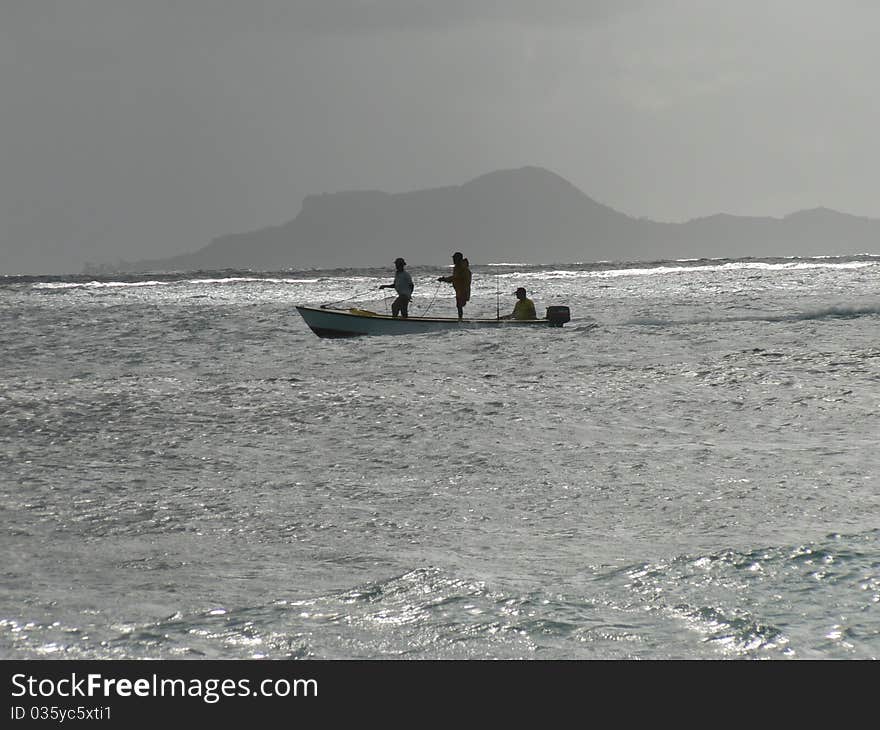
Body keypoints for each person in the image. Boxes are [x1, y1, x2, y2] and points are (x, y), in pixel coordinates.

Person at [437, 251, 471, 320]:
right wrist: (445, 279)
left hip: (463, 290)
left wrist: (444, 279)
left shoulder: (462, 268)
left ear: (458, 259)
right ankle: (460, 319)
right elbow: (455, 278)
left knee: (459, 305)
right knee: (459, 306)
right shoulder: (458, 267)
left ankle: (460, 321)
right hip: (459, 290)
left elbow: (455, 277)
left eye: (454, 258)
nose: (453, 260)